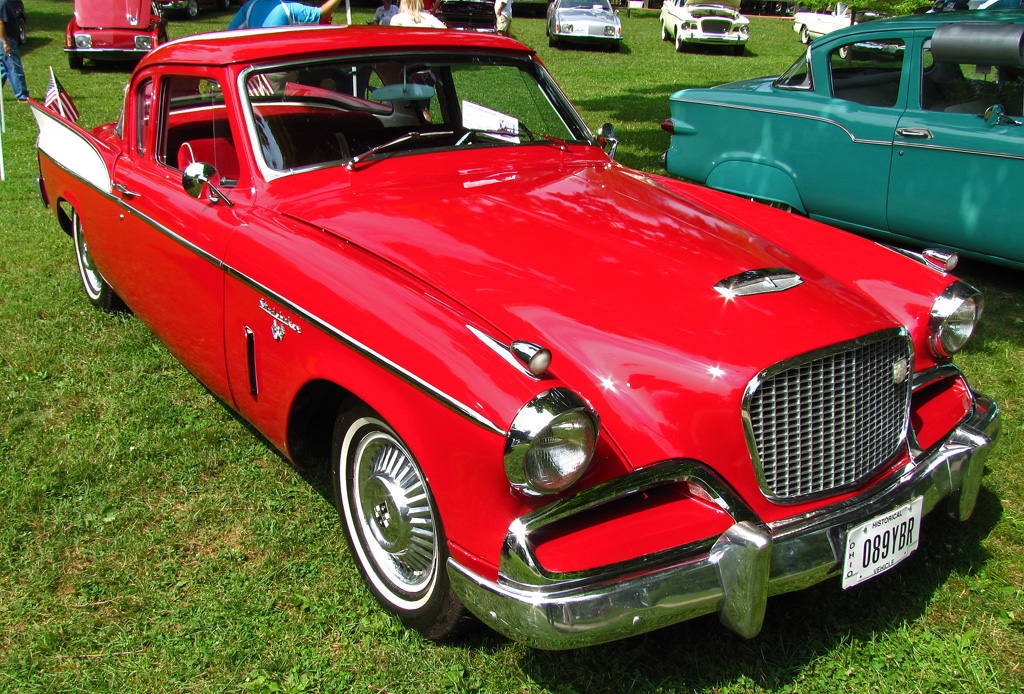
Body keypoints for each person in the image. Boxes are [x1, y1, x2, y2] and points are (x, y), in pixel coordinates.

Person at [227, 0, 344, 29]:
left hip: (253, 70)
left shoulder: (250, 6)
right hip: (280, 70)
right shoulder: (288, 7)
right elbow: (323, 13)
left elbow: (230, 32)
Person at [0, 0, 28, 101]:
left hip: (6, 39)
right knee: (14, 67)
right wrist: (5, 42)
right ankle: (22, 95)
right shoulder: (2, 3)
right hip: (6, 39)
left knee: (3, 68)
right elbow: (0, 23)